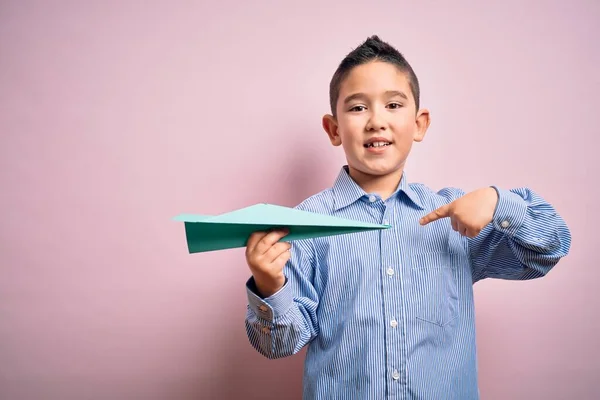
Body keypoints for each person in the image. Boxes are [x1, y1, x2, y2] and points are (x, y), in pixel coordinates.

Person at [243, 35, 571, 399]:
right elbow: (278, 345)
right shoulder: (305, 224)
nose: (376, 121)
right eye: (357, 108)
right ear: (334, 129)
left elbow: (549, 250)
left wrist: (498, 203)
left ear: (419, 124)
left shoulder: (455, 217)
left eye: (393, 104)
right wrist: (269, 287)